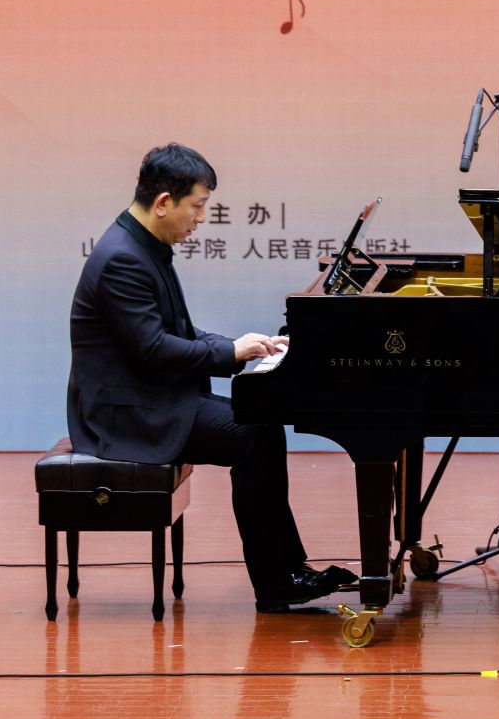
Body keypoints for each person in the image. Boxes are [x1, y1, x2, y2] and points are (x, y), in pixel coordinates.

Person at [68, 143, 354, 613]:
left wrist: (241, 346)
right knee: (254, 433)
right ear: (164, 203)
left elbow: (175, 331)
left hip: (147, 397)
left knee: (261, 424)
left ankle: (285, 571)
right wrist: (229, 353)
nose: (201, 219)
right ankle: (277, 580)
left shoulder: (141, 245)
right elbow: (153, 349)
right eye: (197, 207)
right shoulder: (123, 258)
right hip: (126, 415)